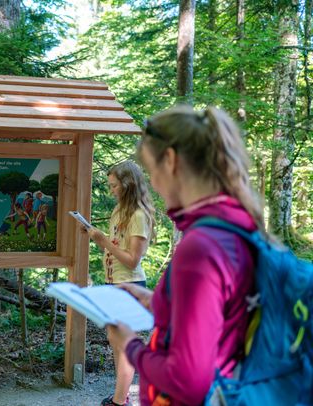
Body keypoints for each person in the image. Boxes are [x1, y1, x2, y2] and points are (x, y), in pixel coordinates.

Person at [108, 105, 264, 406]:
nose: (152, 183)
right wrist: (159, 302)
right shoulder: (238, 224)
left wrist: (131, 347)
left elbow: (188, 380)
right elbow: (224, 315)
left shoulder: (200, 247)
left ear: (170, 160)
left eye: (152, 171)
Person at [86, 160, 155, 406]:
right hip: (111, 283)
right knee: (115, 344)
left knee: (124, 346)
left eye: (114, 186)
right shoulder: (119, 211)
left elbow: (133, 260)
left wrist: (103, 242)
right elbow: (117, 248)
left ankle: (117, 402)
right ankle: (121, 397)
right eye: (109, 185)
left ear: (127, 185)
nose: (111, 190)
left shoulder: (138, 215)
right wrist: (99, 239)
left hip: (130, 285)